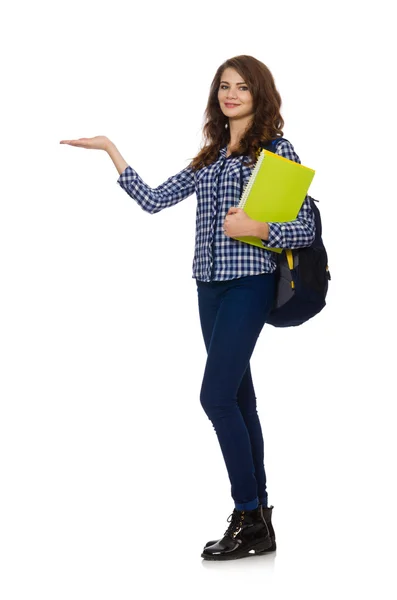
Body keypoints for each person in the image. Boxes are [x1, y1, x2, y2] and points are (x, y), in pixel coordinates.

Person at [60, 54, 316, 561]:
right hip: (208, 288)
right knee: (239, 401)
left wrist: (257, 228)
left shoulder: (276, 152)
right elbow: (154, 199)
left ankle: (246, 513)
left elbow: (304, 228)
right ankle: (260, 518)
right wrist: (111, 149)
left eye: (242, 87)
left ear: (258, 95)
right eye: (224, 86)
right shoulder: (211, 156)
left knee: (215, 397)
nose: (231, 94)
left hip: (250, 284)